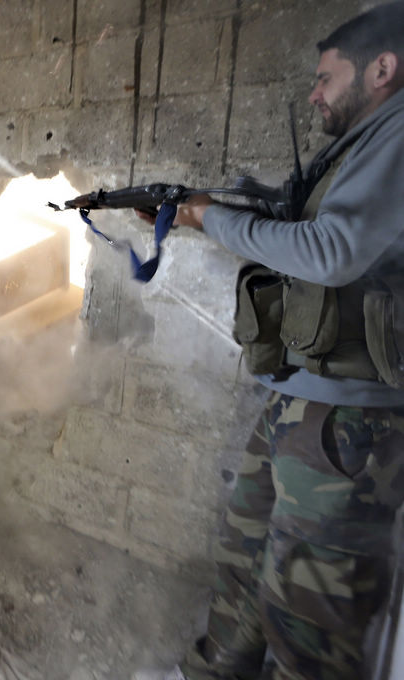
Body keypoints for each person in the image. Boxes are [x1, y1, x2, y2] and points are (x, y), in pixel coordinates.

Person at [138, 3, 404, 678]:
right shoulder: (361, 144)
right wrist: (198, 213)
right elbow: (301, 223)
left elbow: (332, 250)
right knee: (245, 561)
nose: (313, 92)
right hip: (301, 398)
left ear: (382, 67)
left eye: (325, 77)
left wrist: (211, 219)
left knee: (309, 620)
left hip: (350, 421)